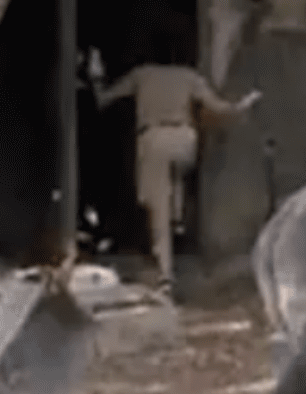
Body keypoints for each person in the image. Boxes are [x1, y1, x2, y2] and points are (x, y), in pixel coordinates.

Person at [90, 53, 261, 292]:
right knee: (175, 179)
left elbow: (104, 98)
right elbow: (222, 108)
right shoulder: (189, 76)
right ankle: (177, 214)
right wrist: (244, 104)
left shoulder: (142, 74)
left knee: (157, 205)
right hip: (185, 140)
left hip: (155, 139)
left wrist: (96, 77)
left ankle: (165, 274)